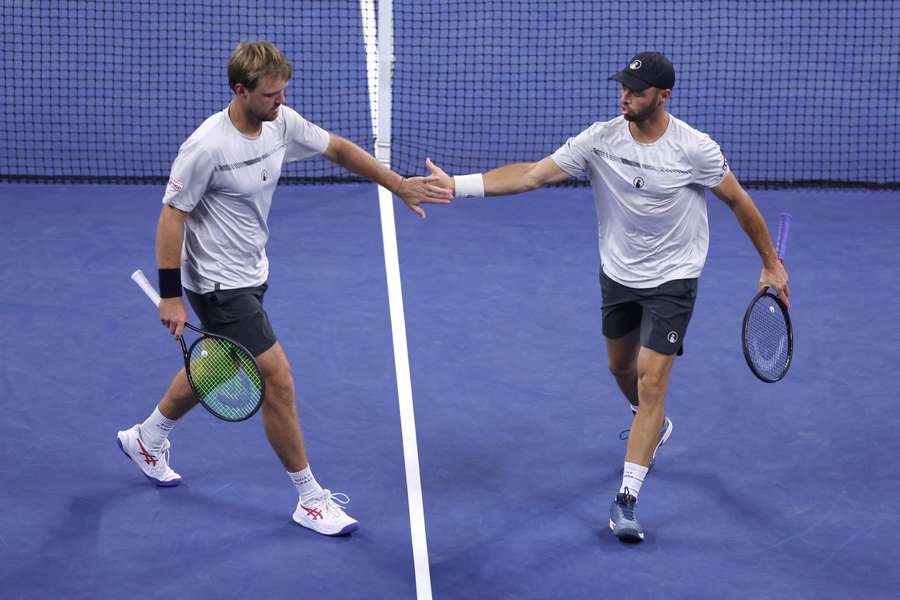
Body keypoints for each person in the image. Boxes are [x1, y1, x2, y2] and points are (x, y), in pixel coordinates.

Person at [425, 52, 789, 542]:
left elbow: (739, 201)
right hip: (619, 274)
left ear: (663, 97)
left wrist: (770, 263)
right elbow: (533, 174)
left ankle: (627, 498)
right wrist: (458, 186)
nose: (625, 97)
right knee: (621, 369)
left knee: (651, 377)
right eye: (623, 88)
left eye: (637, 91)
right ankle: (650, 424)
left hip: (674, 278)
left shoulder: (694, 149)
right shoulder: (600, 139)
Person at [115, 41, 451, 536]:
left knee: (224, 361)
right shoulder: (207, 147)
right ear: (241, 91)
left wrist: (396, 183)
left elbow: (336, 147)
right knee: (278, 379)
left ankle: (148, 436)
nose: (280, 101)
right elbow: (173, 215)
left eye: (282, 93)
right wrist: (170, 294)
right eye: (271, 95)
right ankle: (310, 498)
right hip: (217, 284)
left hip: (252, 272)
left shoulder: (280, 122)